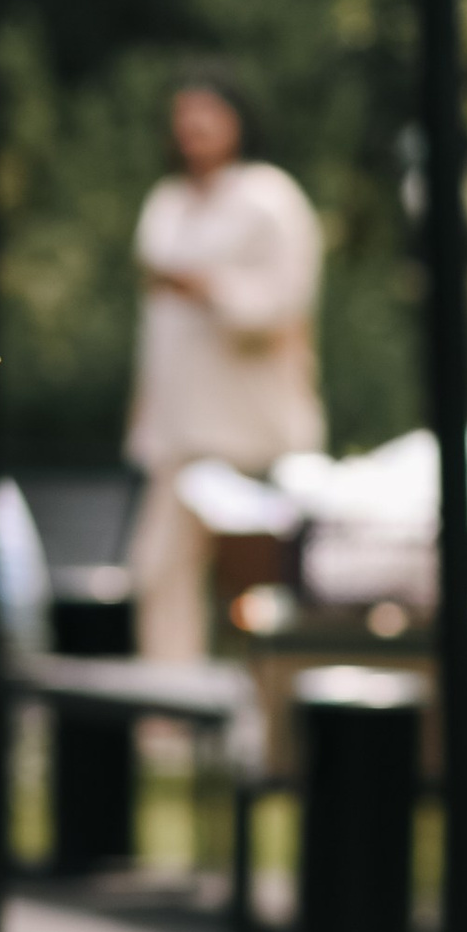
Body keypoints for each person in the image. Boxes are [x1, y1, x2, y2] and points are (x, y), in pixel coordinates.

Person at [125, 75, 325, 661]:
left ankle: (263, 704)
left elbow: (287, 305)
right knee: (161, 575)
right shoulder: (166, 200)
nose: (193, 127)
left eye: (207, 113)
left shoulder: (270, 197)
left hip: (252, 434)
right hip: (178, 432)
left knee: (260, 588)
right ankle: (170, 702)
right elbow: (156, 326)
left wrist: (208, 288)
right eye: (183, 115)